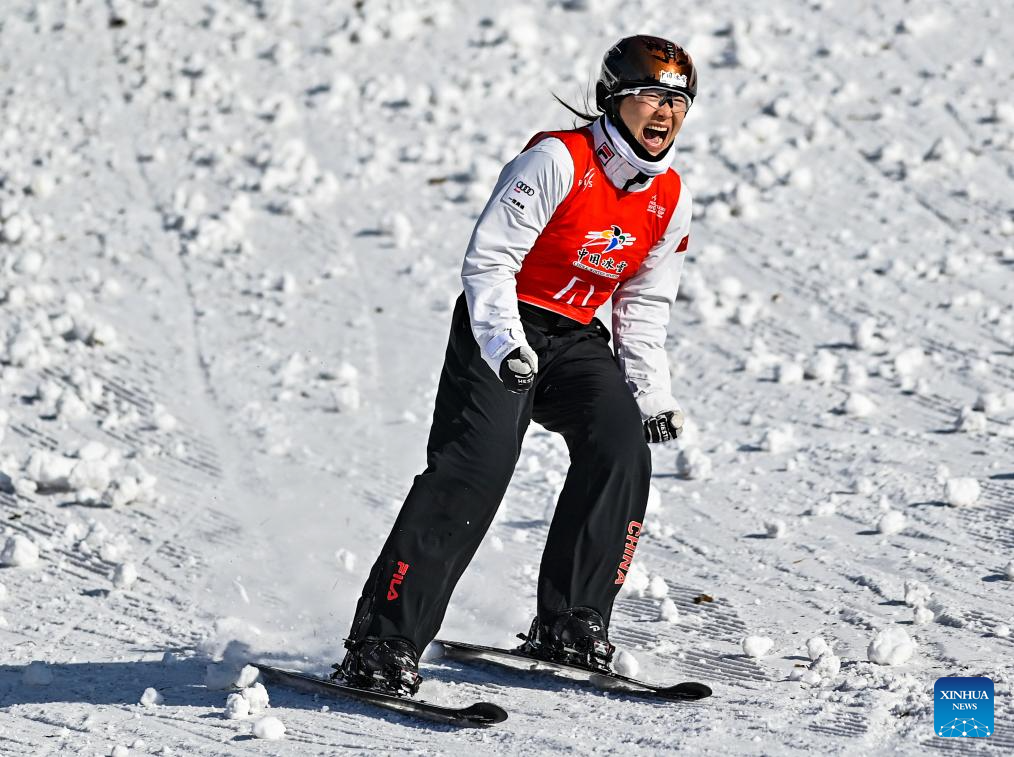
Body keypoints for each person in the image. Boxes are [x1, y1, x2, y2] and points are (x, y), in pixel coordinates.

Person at [336, 34, 697, 696]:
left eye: (677, 101)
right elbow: (490, 260)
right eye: (650, 95)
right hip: (501, 324)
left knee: (621, 448)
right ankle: (382, 643)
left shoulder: (669, 197)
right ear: (611, 100)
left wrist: (651, 395)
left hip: (575, 337)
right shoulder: (557, 161)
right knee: (475, 469)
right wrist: (505, 345)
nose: (665, 112)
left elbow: (644, 305)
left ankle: (572, 623)